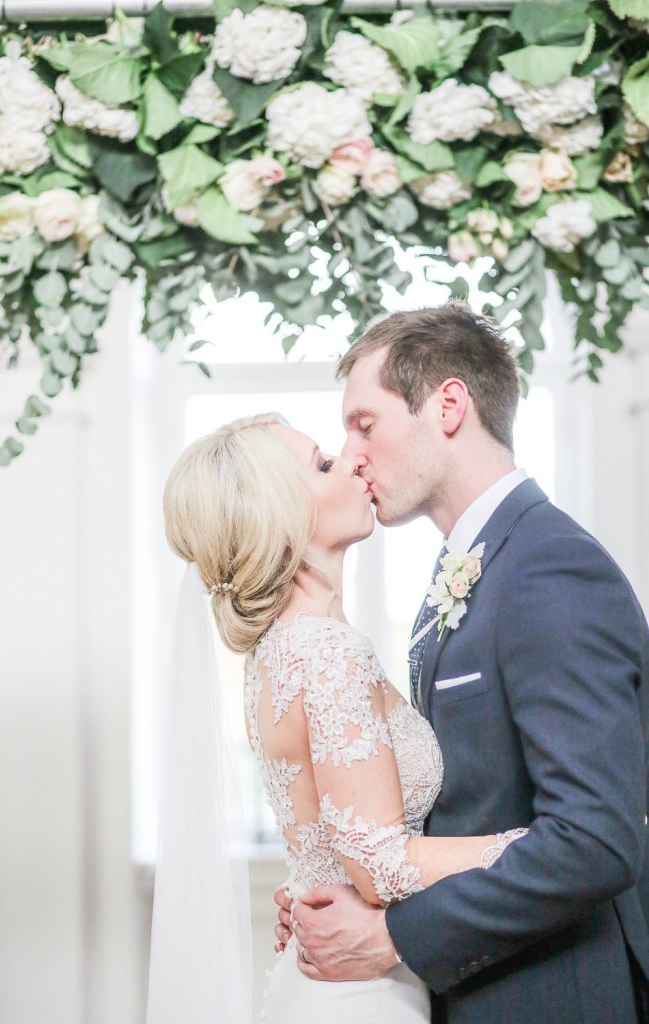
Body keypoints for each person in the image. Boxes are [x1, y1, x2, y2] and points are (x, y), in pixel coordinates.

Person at [274, 302, 649, 1024]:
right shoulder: (467, 570)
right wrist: (335, 881)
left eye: (365, 425)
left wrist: (392, 936)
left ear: (447, 405)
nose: (353, 455)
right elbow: (459, 798)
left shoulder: (549, 569)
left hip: (556, 993)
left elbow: (594, 840)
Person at [159, 406, 527, 1024]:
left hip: (330, 978)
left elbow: (331, 842)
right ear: (282, 518)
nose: (354, 459)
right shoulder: (327, 652)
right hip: (361, 996)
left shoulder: (280, 651)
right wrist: (541, 842)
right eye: (324, 463)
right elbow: (379, 862)